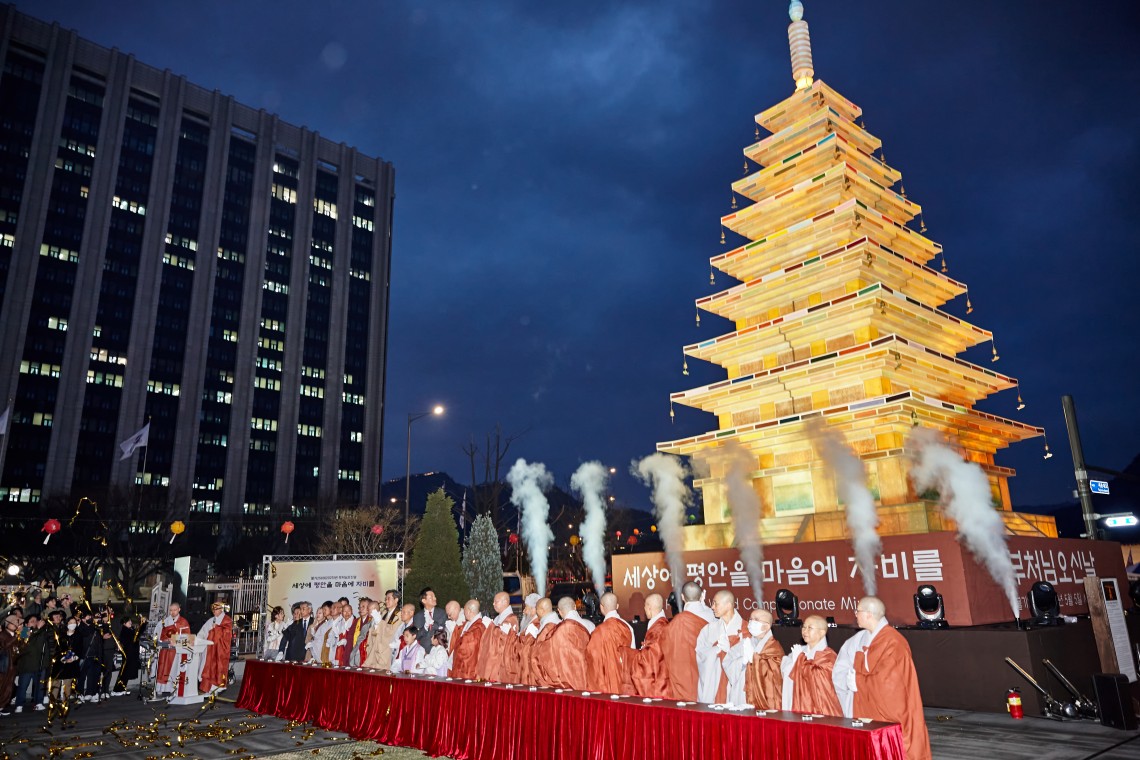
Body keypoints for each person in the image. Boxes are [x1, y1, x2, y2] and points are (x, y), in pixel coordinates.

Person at [851, 597, 931, 760]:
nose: (855, 614)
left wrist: (858, 680)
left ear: (868, 615)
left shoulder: (893, 641)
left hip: (891, 710)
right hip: (871, 708)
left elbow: (889, 683)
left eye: (858, 611)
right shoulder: (871, 638)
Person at [661, 582, 715, 700]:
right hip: (708, 673)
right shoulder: (713, 617)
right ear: (702, 596)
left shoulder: (677, 622)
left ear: (682, 597)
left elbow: (664, 648)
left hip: (683, 677)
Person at [780, 614, 841, 715]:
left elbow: (822, 683)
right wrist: (793, 663)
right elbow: (785, 674)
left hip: (819, 708)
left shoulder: (828, 656)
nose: (805, 631)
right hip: (796, 704)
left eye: (810, 628)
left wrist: (799, 662)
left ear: (822, 632)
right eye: (804, 627)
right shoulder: (798, 651)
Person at [724, 609, 782, 709]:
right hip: (740, 694)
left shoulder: (773, 647)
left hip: (762, 697)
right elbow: (727, 662)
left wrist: (755, 660)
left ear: (766, 626)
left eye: (756, 619)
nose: (751, 622)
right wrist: (742, 661)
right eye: (750, 619)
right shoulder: (744, 643)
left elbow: (775, 675)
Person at [695, 590, 745, 704]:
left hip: (736, 689)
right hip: (713, 686)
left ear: (728, 605)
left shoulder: (745, 629)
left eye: (715, 603)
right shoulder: (709, 629)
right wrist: (716, 650)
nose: (712, 607)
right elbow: (700, 653)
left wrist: (730, 651)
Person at [532, 597, 590, 690]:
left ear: (559, 611)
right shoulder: (589, 624)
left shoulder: (559, 629)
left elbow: (547, 652)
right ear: (575, 607)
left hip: (566, 677)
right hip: (585, 673)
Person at [585, 592, 635, 694]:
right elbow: (632, 656)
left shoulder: (598, 632)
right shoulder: (628, 627)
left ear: (601, 607)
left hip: (605, 683)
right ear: (617, 606)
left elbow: (592, 660)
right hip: (625, 682)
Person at [630, 593, 670, 698]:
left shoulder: (658, 629)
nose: (644, 609)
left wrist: (627, 654)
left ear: (649, 607)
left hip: (659, 684)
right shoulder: (662, 624)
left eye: (644, 606)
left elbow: (650, 659)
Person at [476, 592, 518, 682]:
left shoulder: (511, 619)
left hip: (500, 663)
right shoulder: (498, 618)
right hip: (491, 660)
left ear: (505, 602)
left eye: (496, 601)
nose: (493, 604)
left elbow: (505, 641)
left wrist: (491, 626)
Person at [13, 614, 51, 712]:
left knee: (40, 686)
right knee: (23, 686)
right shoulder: (24, 632)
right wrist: (36, 630)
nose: (34, 622)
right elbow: (25, 647)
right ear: (26, 623)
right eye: (32, 621)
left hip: (40, 664)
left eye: (36, 621)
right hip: (27, 665)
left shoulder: (42, 632)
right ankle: (19, 704)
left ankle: (39, 702)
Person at [197, 601, 233, 694]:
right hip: (209, 649)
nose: (214, 611)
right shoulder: (211, 620)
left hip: (219, 650)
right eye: (213, 610)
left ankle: (216, 688)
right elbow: (203, 631)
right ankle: (208, 689)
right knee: (208, 667)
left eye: (216, 609)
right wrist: (198, 640)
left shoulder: (227, 620)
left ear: (221, 609)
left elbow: (227, 633)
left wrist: (217, 628)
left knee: (218, 667)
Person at [155, 603, 190, 696]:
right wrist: (163, 640)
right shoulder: (164, 622)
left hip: (176, 652)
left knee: (174, 670)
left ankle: (173, 689)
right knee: (162, 669)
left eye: (174, 610)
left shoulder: (184, 622)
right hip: (165, 650)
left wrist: (175, 640)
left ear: (179, 609)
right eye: (171, 610)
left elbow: (188, 638)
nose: (172, 612)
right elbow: (157, 635)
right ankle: (160, 688)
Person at [450, 600, 489, 679]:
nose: (463, 613)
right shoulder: (469, 624)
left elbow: (467, 648)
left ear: (468, 611)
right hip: (464, 667)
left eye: (464, 611)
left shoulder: (478, 627)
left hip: (469, 669)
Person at [363, 592, 402, 670]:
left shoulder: (399, 615)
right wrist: (376, 625)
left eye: (388, 598)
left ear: (396, 600)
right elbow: (375, 631)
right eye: (385, 599)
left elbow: (391, 632)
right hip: (377, 648)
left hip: (387, 650)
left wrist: (380, 623)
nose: (386, 601)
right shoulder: (384, 613)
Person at [51, 612, 80, 707]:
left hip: (72, 663)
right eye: (71, 622)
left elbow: (80, 649)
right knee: (56, 683)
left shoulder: (78, 636)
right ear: (67, 624)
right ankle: (53, 702)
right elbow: (57, 648)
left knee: (68, 684)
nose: (73, 624)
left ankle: (65, 702)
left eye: (74, 622)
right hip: (60, 662)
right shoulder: (61, 635)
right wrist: (63, 658)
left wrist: (74, 658)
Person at [115, 615, 144, 695]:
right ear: (124, 623)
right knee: (124, 672)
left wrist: (142, 625)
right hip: (128, 654)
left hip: (130, 654)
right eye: (129, 621)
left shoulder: (129, 630)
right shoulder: (125, 631)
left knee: (126, 673)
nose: (130, 622)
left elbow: (137, 635)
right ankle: (118, 689)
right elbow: (133, 639)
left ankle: (122, 688)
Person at [412, 588, 447, 654]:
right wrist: (425, 627)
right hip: (423, 652)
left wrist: (434, 624)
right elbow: (416, 636)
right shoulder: (418, 616)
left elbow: (445, 630)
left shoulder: (442, 613)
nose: (435, 598)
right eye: (431, 597)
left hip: (439, 651)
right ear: (424, 600)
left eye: (434, 596)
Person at [0, 614, 21, 714]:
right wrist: (16, 636)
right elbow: (5, 645)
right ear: (8, 624)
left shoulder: (15, 635)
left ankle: (3, 705)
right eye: (15, 623)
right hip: (5, 665)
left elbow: (19, 649)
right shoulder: (2, 634)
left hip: (13, 664)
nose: (17, 625)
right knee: (3, 685)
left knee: (9, 686)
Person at [349, 598, 373, 667]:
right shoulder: (356, 621)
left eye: (363, 607)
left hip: (367, 654)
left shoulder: (372, 621)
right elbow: (350, 639)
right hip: (355, 653)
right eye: (360, 607)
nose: (361, 609)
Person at [332, 597, 356, 667]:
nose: (347, 613)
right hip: (339, 651)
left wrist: (347, 641)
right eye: (344, 611)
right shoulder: (339, 622)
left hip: (350, 651)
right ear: (341, 612)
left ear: (352, 611)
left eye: (349, 611)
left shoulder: (355, 622)